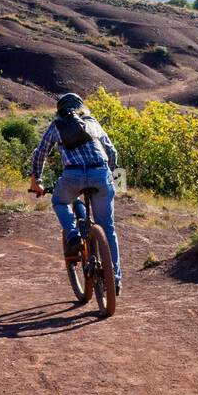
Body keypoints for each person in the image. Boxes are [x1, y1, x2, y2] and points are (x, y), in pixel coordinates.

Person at [28, 92, 122, 294]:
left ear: (60, 109)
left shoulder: (57, 125)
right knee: (108, 227)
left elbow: (40, 153)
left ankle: (72, 235)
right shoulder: (92, 121)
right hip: (100, 173)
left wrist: (38, 180)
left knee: (59, 202)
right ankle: (114, 279)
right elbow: (112, 151)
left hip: (73, 177)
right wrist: (110, 175)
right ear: (81, 106)